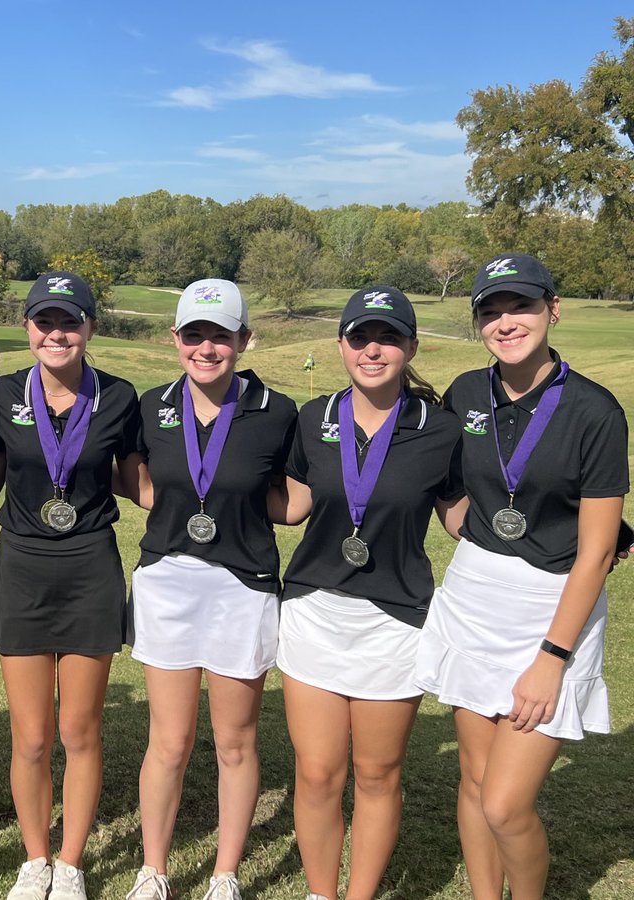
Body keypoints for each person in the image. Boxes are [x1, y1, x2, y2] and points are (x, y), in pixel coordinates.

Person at [414, 253, 628, 899]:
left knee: (506, 803)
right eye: (492, 311)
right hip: (476, 597)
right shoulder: (465, 394)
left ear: (552, 309)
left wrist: (552, 657)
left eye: (522, 306)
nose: (507, 322)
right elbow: (450, 491)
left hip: (550, 613)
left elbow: (596, 553)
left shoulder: (595, 410)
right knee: (476, 783)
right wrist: (470, 529)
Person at [271, 287, 464, 900]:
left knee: (378, 774)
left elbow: (462, 520)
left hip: (395, 618)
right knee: (318, 773)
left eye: (387, 337)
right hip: (314, 612)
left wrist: (575, 525)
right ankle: (320, 893)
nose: (372, 349)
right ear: (341, 345)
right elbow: (295, 505)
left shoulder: (443, 430)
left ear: (411, 346)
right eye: (359, 337)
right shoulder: (314, 417)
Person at [125, 279, 297, 900]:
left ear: (243, 340)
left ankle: (224, 874)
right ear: (175, 339)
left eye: (220, 336)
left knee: (235, 739)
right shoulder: (151, 405)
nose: (206, 347)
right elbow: (135, 478)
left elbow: (291, 498)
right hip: (168, 582)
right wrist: (177, 502)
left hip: (242, 585)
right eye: (193, 334)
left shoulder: (277, 410)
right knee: (167, 740)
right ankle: (154, 870)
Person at [0, 273, 142, 900]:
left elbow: (140, 483)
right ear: (28, 328)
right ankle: (34, 856)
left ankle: (69, 863)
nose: (57, 333)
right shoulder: (1, 394)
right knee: (33, 734)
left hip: (90, 570)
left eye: (69, 322)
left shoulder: (120, 398)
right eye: (45, 322)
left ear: (90, 328)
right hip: (19, 570)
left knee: (79, 730)